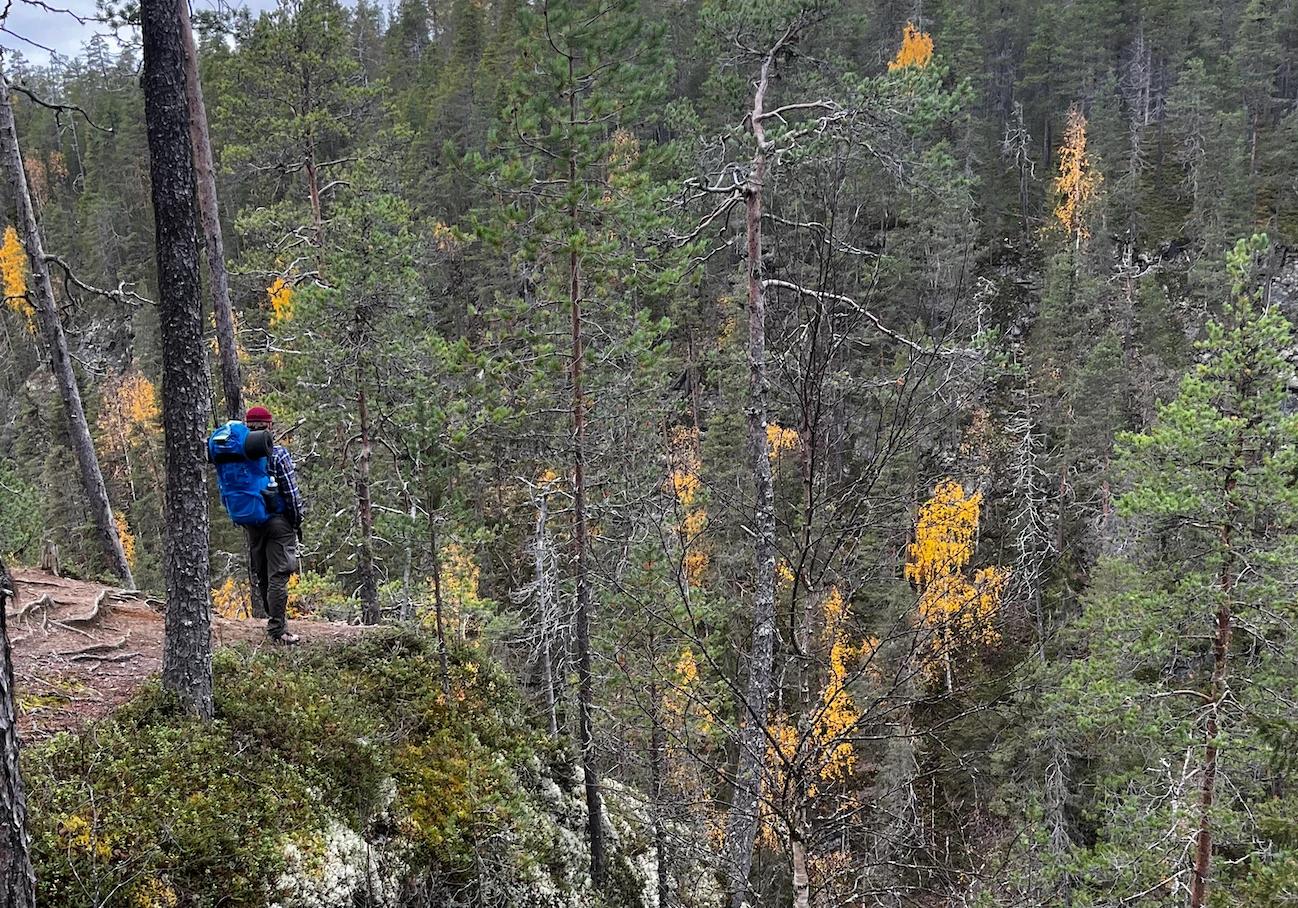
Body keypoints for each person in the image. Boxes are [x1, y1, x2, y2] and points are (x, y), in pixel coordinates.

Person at [244, 406, 306, 644]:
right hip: (278, 521)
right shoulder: (278, 454)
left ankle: (275, 623)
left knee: (263, 574)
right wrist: (296, 519)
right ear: (269, 425)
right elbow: (290, 492)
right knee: (278, 574)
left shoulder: (239, 454)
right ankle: (278, 631)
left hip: (252, 520)